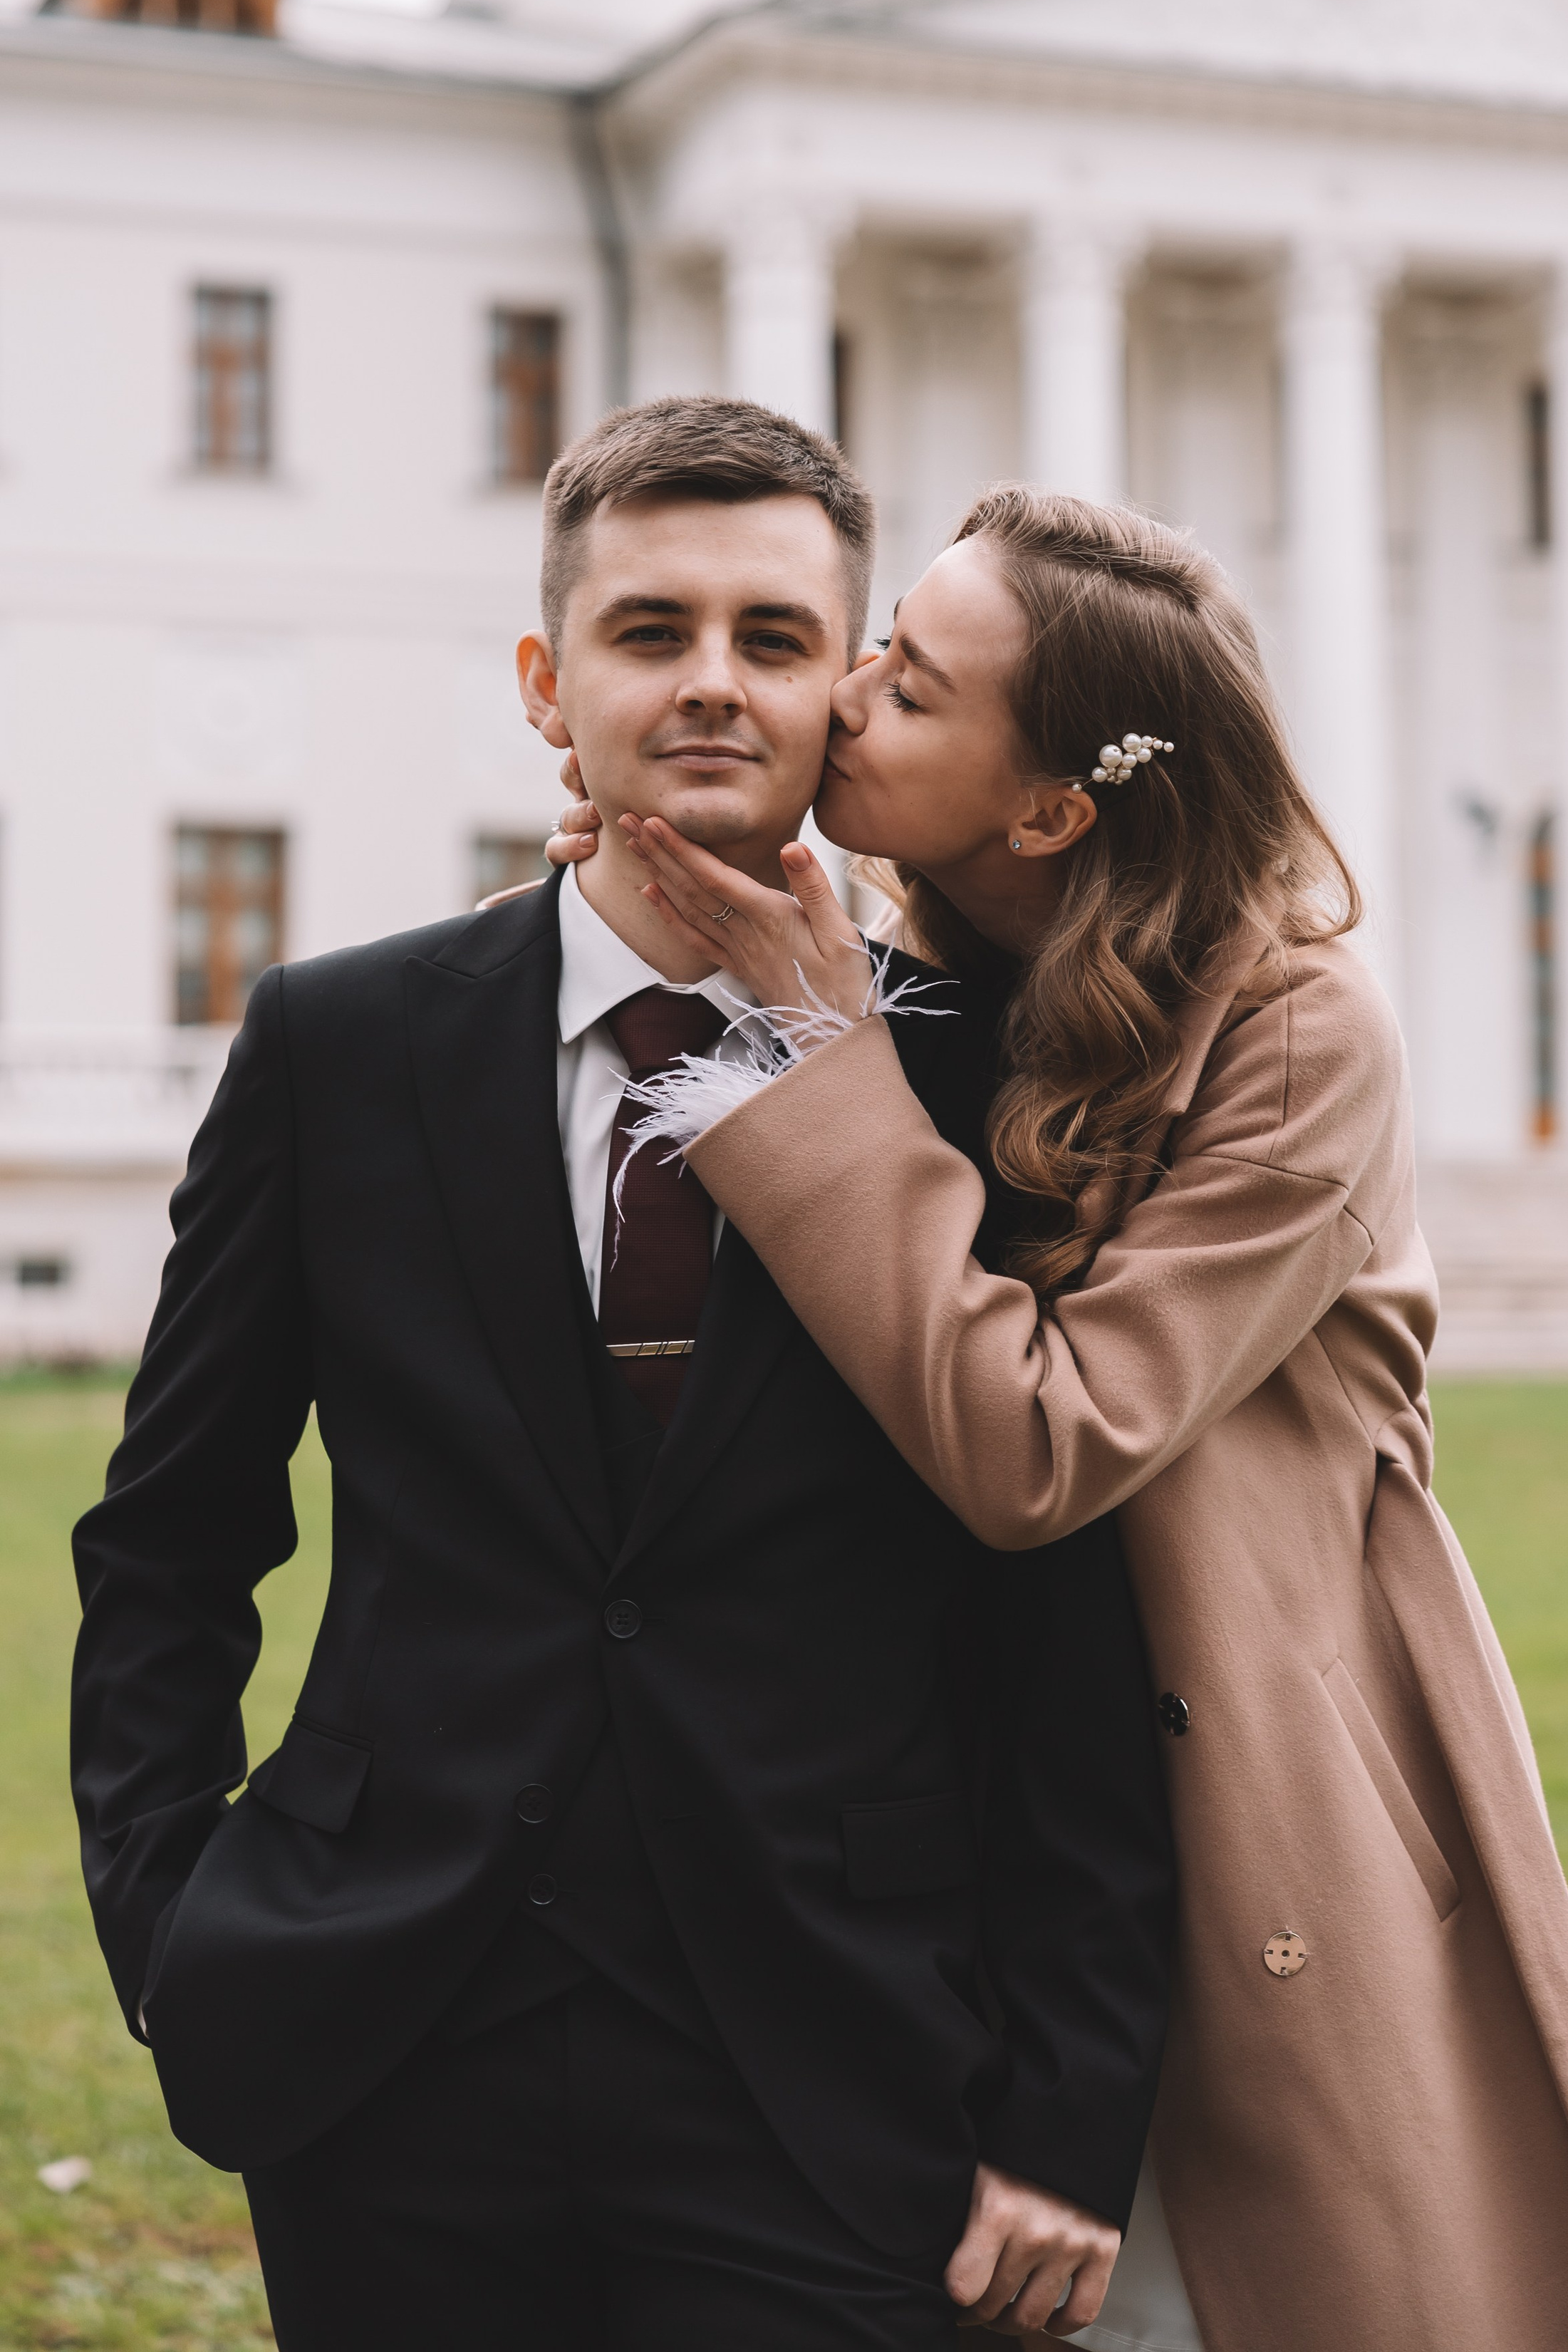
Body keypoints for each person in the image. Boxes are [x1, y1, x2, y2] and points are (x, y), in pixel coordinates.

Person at [547, 482, 1568, 2352]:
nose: (840, 695)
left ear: (1052, 807)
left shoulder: (1303, 1035)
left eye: (909, 685)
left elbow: (1043, 1444)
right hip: (933, 1816)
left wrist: (821, 1052)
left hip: (1246, 1816)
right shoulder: (928, 977)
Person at [68, 405, 1177, 2352]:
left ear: (846, 691)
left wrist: (1072, 2111)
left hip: (834, 2072)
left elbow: (1069, 1621)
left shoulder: (990, 1081)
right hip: (384, 2045)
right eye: (650, 630)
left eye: (772, 638)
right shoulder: (340, 1047)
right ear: (545, 682)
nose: (710, 685)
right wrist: (173, 1930)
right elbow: (173, 1537)